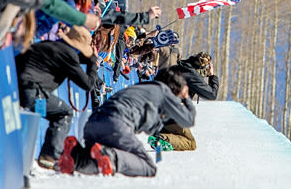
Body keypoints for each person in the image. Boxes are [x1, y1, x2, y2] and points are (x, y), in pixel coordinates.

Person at [58, 67, 196, 177]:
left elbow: (150, 126)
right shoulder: (164, 91)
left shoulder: (141, 87)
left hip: (92, 124)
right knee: (148, 167)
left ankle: (76, 157)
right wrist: (186, 97)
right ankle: (110, 156)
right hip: (116, 125)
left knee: (99, 162)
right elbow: (188, 119)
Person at [15, 25, 99, 169]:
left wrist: (87, 58)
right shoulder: (67, 55)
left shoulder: (51, 46)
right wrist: (92, 63)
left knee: (53, 111)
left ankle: (42, 154)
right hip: (32, 92)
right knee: (64, 112)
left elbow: (74, 60)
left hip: (19, 88)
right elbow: (88, 84)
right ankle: (50, 156)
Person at [153, 50, 219, 151]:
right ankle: (162, 139)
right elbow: (212, 94)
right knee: (190, 143)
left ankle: (161, 135)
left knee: (173, 132)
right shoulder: (192, 74)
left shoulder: (177, 67)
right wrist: (212, 76)